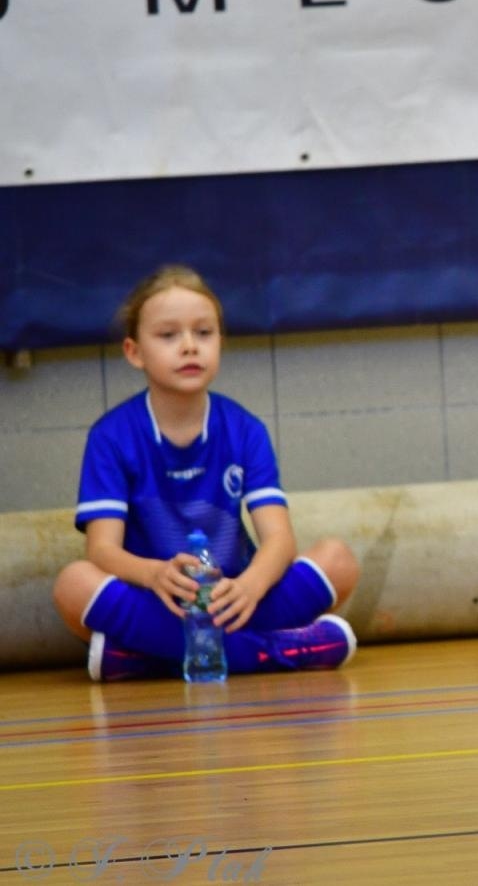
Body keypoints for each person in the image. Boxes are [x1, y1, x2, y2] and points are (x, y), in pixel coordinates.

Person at [51, 265, 361, 681]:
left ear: (220, 342)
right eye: (168, 335)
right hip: (161, 602)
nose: (189, 346)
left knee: (338, 559)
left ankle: (151, 658)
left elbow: (280, 539)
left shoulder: (245, 429)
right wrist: (153, 574)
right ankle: (276, 651)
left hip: (236, 601)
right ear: (134, 352)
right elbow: (102, 551)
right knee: (73, 584)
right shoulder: (111, 436)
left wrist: (250, 586)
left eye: (203, 333)